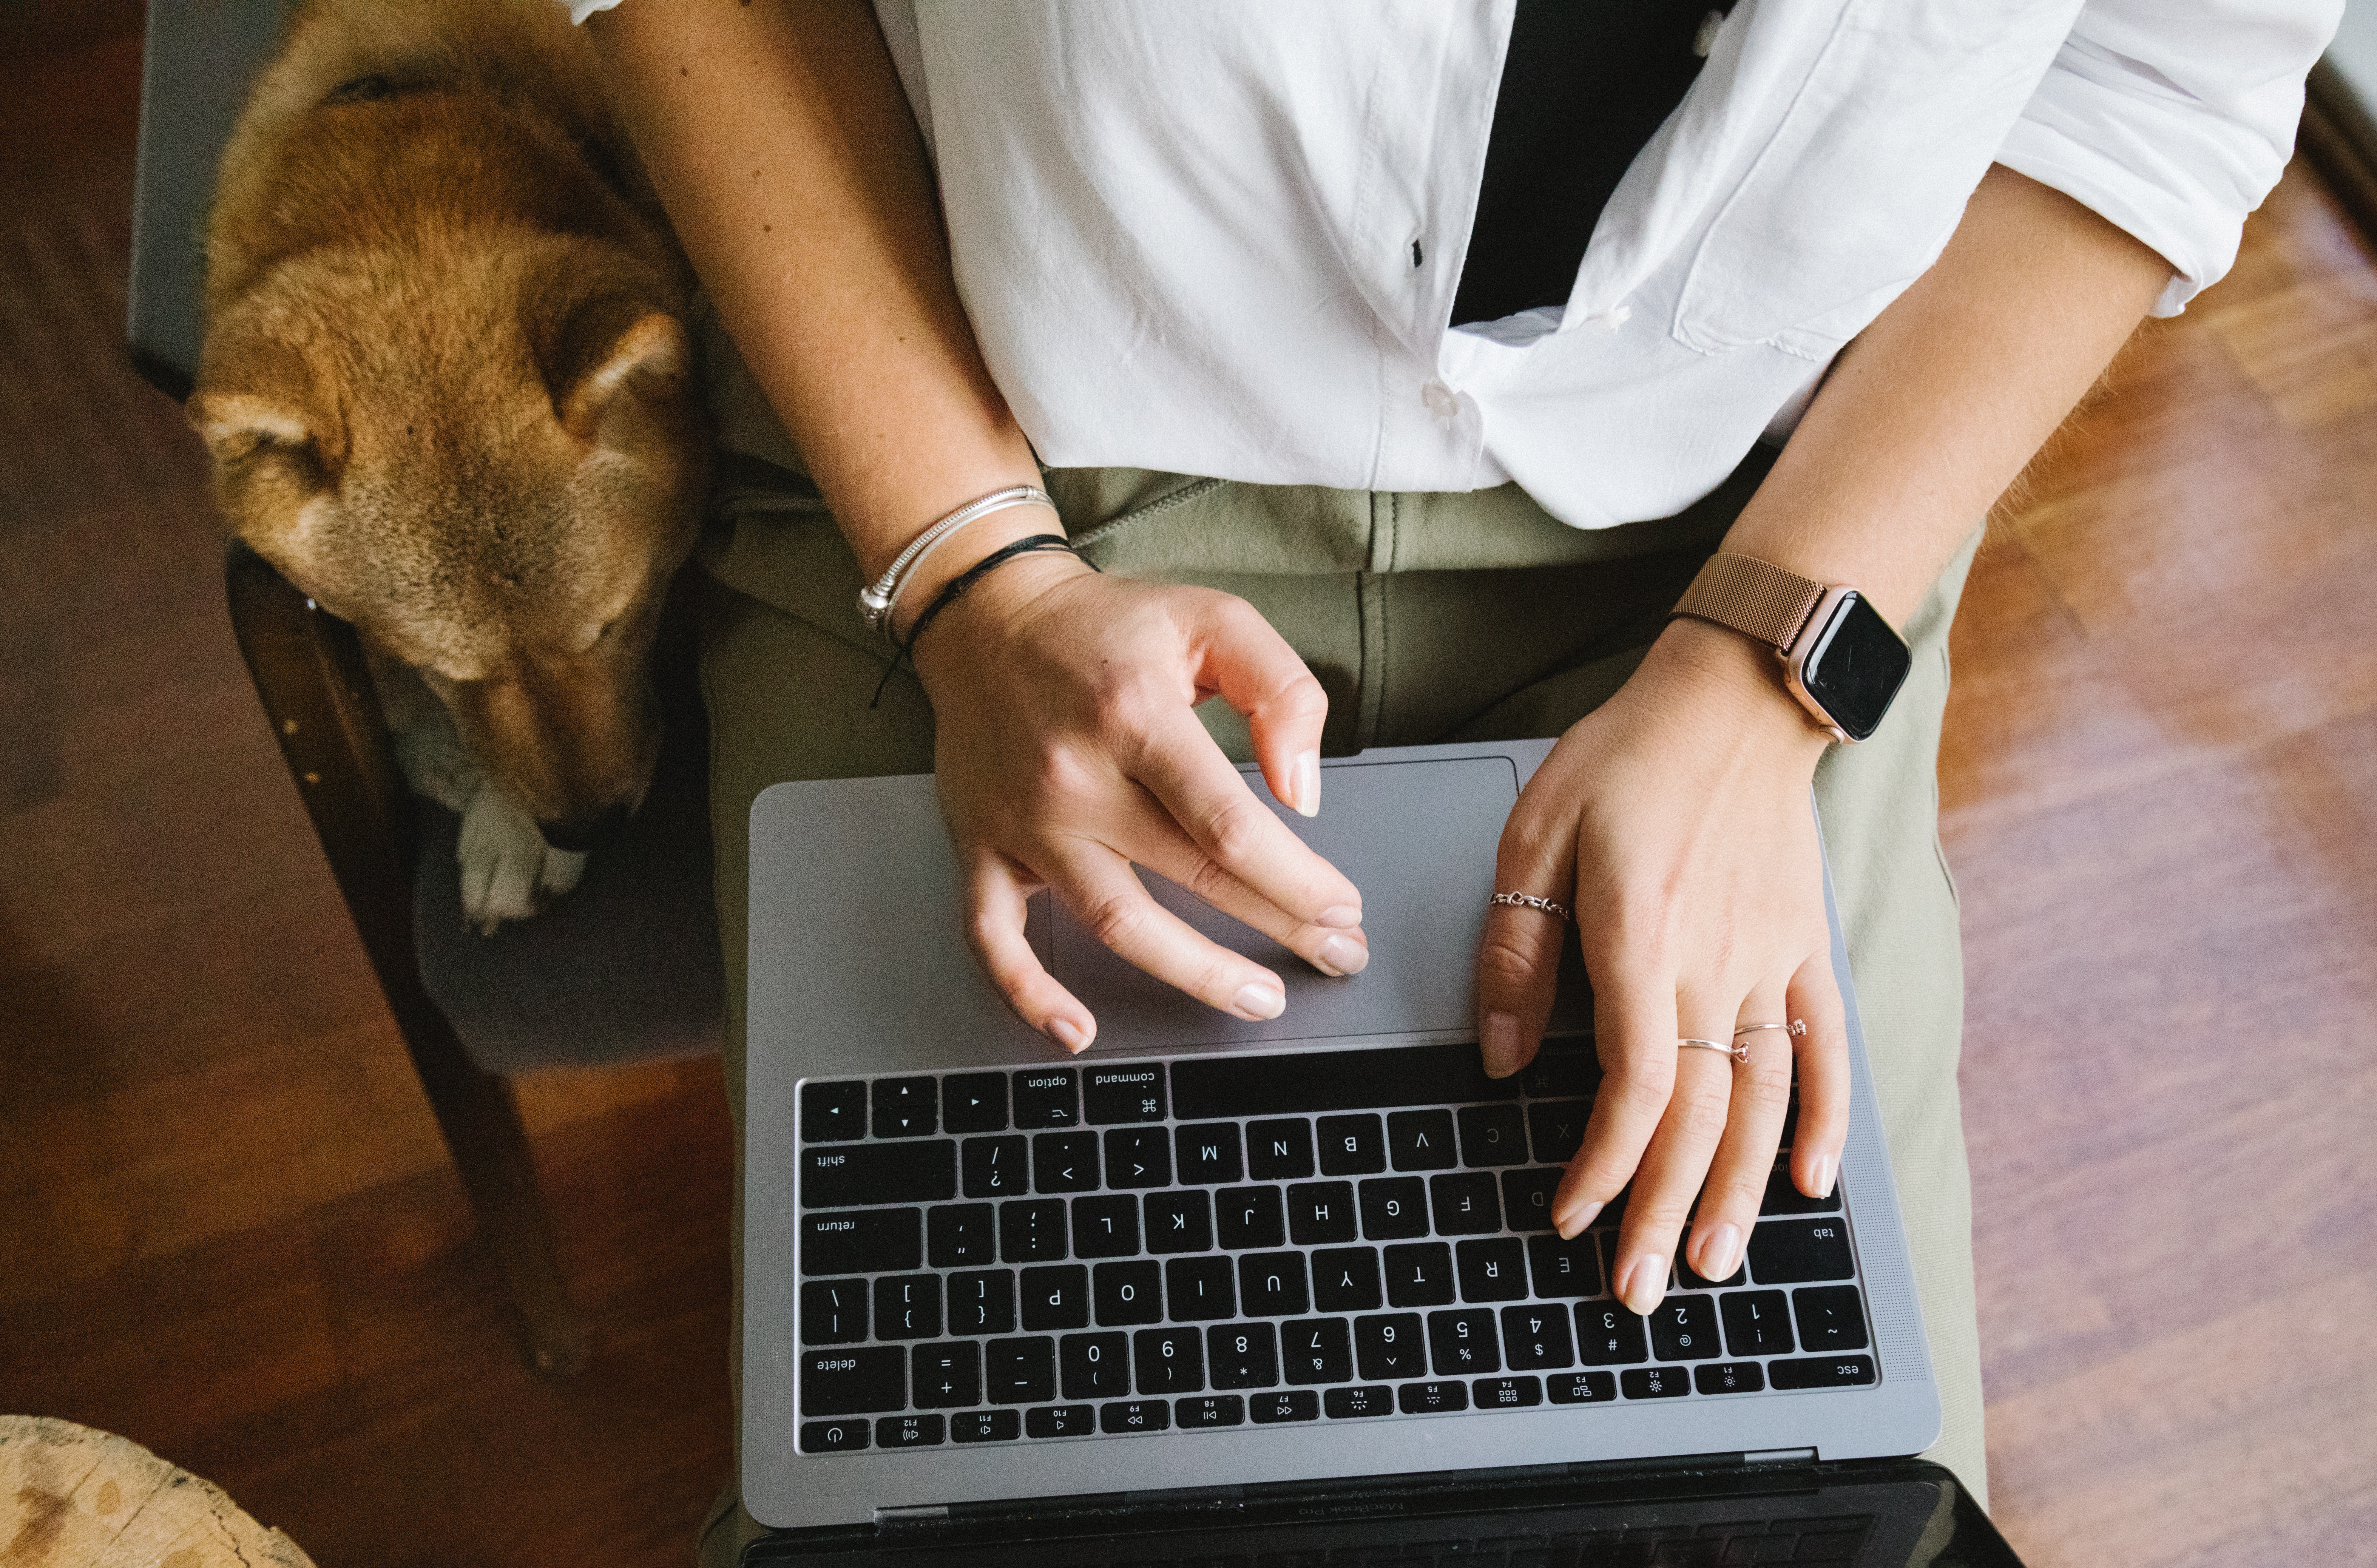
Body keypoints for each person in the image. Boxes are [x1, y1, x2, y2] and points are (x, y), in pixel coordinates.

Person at [571, 3, 2336, 1560]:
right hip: (993, 441)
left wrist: (1764, 680)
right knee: (946, 1416)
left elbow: (2152, 68)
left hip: (1749, 540)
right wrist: (975, 584)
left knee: (1815, 1449)